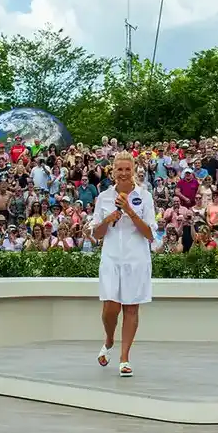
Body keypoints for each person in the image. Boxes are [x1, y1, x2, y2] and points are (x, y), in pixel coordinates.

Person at [89, 151, 156, 378]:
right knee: (110, 308)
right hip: (111, 259)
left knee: (131, 307)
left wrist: (129, 211)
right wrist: (109, 219)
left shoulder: (144, 197)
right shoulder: (104, 198)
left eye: (128, 169)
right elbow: (96, 234)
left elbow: (150, 234)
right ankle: (109, 339)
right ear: (113, 172)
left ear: (134, 170)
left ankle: (124, 357)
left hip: (136, 260)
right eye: (120, 170)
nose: (124, 173)